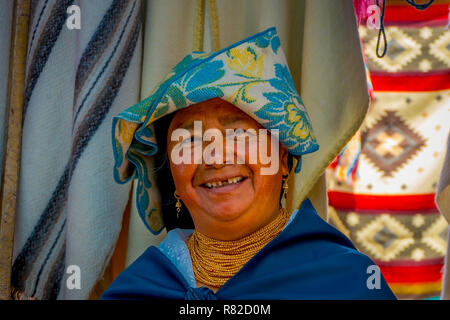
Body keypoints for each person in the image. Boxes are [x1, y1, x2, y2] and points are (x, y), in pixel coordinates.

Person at [101, 27, 396, 300]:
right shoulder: (138, 290)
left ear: (283, 157)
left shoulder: (347, 284)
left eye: (239, 133)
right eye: (189, 140)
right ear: (173, 176)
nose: (216, 157)